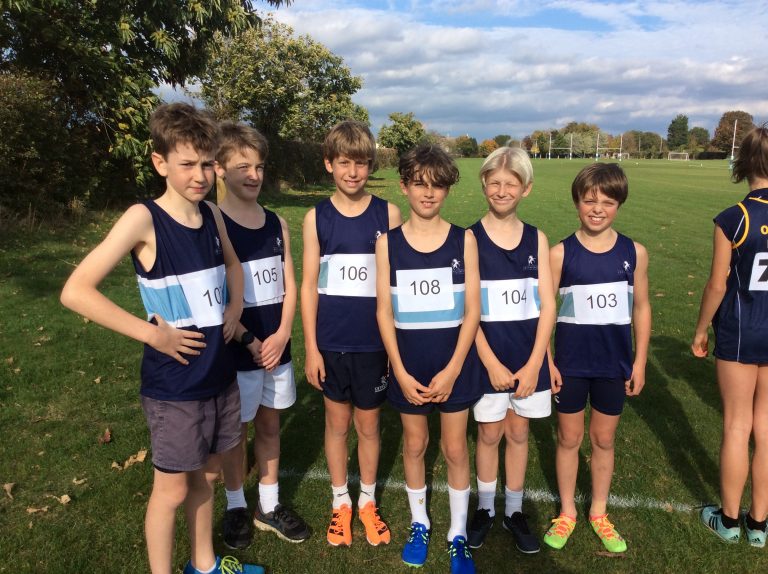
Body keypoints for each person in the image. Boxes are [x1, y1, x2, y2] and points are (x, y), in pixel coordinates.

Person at [60, 103, 263, 574]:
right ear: (160, 162)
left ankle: (204, 564)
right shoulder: (143, 218)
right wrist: (152, 335)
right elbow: (76, 291)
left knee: (207, 476)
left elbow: (233, 265)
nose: (200, 176)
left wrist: (234, 309)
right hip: (175, 386)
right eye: (187, 164)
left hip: (219, 375)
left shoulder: (211, 214)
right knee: (171, 490)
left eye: (207, 164)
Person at [375, 144, 482, 574]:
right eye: (419, 184)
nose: (428, 193)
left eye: (437, 185)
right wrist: (399, 370)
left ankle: (458, 533)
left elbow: (472, 310)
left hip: (454, 365)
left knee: (455, 448)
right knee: (415, 444)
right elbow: (384, 310)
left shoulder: (464, 239)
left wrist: (454, 369)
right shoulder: (387, 243)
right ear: (404, 187)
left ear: (447, 190)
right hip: (410, 366)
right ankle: (419, 522)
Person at [301, 120, 401, 547]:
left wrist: (397, 346)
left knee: (369, 424)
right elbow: (308, 285)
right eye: (344, 163)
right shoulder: (316, 218)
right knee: (337, 423)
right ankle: (340, 501)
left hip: (374, 343)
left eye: (361, 163)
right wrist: (311, 347)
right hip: (332, 342)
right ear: (329, 164)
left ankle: (367, 501)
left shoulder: (388, 214)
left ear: (370, 165)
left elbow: (395, 284)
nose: (353, 172)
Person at [545, 162, 650, 553]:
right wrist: (548, 361)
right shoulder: (560, 254)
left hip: (613, 366)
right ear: (577, 202)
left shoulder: (634, 252)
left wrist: (640, 362)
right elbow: (546, 312)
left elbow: (641, 307)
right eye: (589, 201)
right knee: (569, 438)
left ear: (619, 204)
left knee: (603, 439)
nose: (597, 209)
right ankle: (568, 511)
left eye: (607, 202)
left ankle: (599, 512)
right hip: (571, 366)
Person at [215, 121, 309, 548]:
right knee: (236, 433)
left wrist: (283, 333)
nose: (254, 175)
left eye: (259, 167)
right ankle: (236, 505)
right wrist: (251, 341)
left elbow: (289, 284)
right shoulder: (212, 223)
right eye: (243, 167)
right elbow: (215, 299)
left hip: (277, 348)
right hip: (240, 351)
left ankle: (268, 506)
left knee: (270, 425)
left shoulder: (276, 223)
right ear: (220, 169)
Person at [465, 148, 556, 554]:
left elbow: (547, 306)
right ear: (484, 184)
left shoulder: (537, 238)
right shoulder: (468, 239)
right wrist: (489, 361)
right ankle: (485, 508)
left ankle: (514, 511)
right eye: (495, 183)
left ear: (526, 189)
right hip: (488, 361)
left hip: (527, 359)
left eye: (511, 184)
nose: (502, 191)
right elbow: (466, 310)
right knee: (489, 433)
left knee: (519, 432)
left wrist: (537, 362)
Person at [692, 123, 768, 548]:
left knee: (738, 426)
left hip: (741, 333)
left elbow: (717, 285)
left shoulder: (734, 218)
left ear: (744, 163)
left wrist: (701, 329)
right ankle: (759, 526)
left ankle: (730, 521)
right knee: (766, 429)